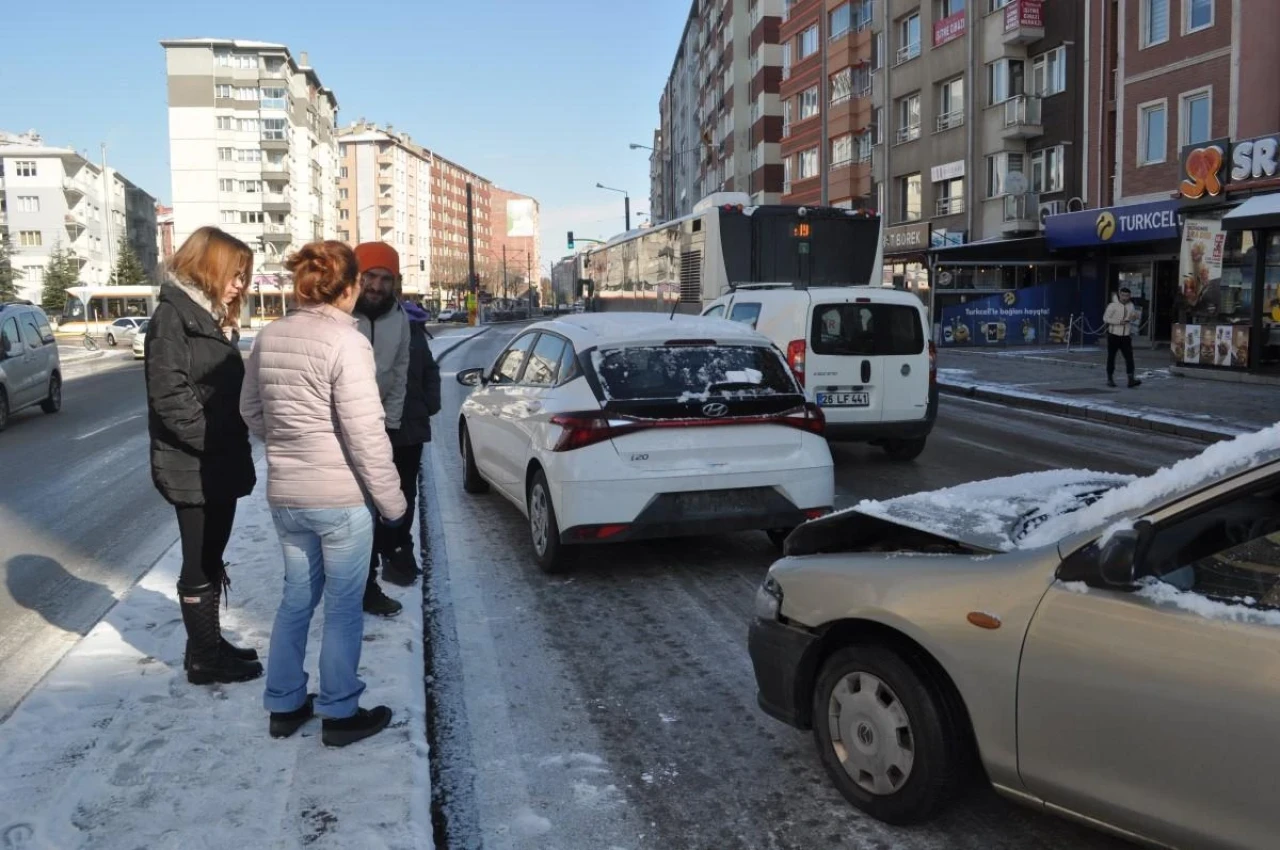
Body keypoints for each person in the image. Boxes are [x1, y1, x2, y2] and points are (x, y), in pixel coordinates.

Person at [240, 240, 408, 747]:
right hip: (338, 499)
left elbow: (250, 410)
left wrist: (292, 442)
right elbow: (366, 434)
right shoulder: (347, 342)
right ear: (350, 287)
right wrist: (394, 506)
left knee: (295, 599)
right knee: (341, 605)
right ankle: (339, 711)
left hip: (286, 497)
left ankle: (285, 703)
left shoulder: (270, 336)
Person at [145, 226, 262, 686]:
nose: (240, 285)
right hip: (194, 461)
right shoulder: (173, 317)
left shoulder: (204, 315)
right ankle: (205, 661)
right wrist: (213, 440)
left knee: (212, 554)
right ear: (208, 267)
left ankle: (207, 646)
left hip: (215, 458)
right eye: (235, 274)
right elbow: (169, 393)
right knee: (199, 558)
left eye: (244, 277)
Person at [352, 242, 411, 616]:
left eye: (384, 279)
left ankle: (366, 586)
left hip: (377, 430)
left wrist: (389, 426)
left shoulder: (399, 318)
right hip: (337, 429)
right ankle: (337, 584)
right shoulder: (339, 313)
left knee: (370, 513)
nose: (376, 285)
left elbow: (400, 373)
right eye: (369, 276)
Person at [376, 299, 442, 586]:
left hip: (410, 427)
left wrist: (429, 404)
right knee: (378, 495)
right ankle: (385, 551)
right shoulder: (371, 327)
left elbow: (430, 371)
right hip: (377, 429)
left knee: (405, 493)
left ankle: (399, 550)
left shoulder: (413, 330)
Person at [1103, 286, 1142, 389]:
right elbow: (1106, 319)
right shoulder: (1113, 305)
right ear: (1120, 295)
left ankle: (1131, 379)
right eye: (1123, 295)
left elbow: (1133, 316)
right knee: (1111, 357)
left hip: (1126, 336)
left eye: (1127, 296)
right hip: (1114, 335)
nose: (1125, 297)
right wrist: (1119, 322)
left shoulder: (1131, 305)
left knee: (1129, 358)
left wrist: (1134, 317)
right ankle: (1110, 378)